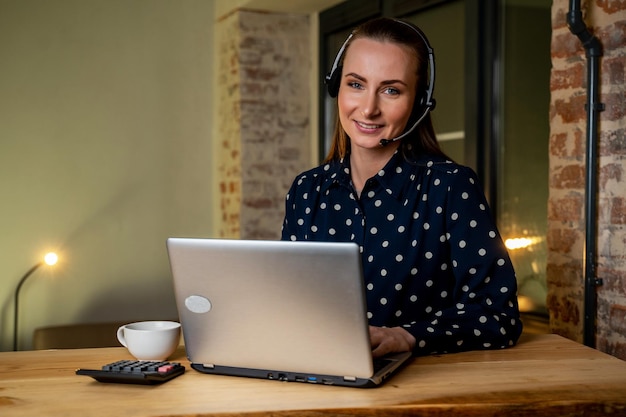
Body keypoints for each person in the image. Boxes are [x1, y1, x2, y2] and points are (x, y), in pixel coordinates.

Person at [281, 17, 523, 358]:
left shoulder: (450, 187)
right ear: (337, 85)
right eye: (356, 84)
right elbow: (290, 303)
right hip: (319, 376)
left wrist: (408, 337)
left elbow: (498, 316)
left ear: (419, 102)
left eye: (391, 90)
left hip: (420, 388)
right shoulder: (306, 190)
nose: (368, 108)